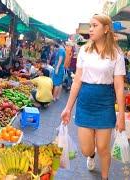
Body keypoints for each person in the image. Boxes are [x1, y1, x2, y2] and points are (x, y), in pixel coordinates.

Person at [61, 14, 125, 180]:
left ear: (105, 29)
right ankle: (91, 156)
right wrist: (67, 108)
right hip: (85, 103)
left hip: (105, 103)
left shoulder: (117, 54)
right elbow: (76, 82)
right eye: (90, 25)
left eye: (94, 25)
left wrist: (122, 117)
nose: (90, 29)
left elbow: (119, 86)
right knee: (86, 150)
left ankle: (105, 177)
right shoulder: (84, 50)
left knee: (103, 148)